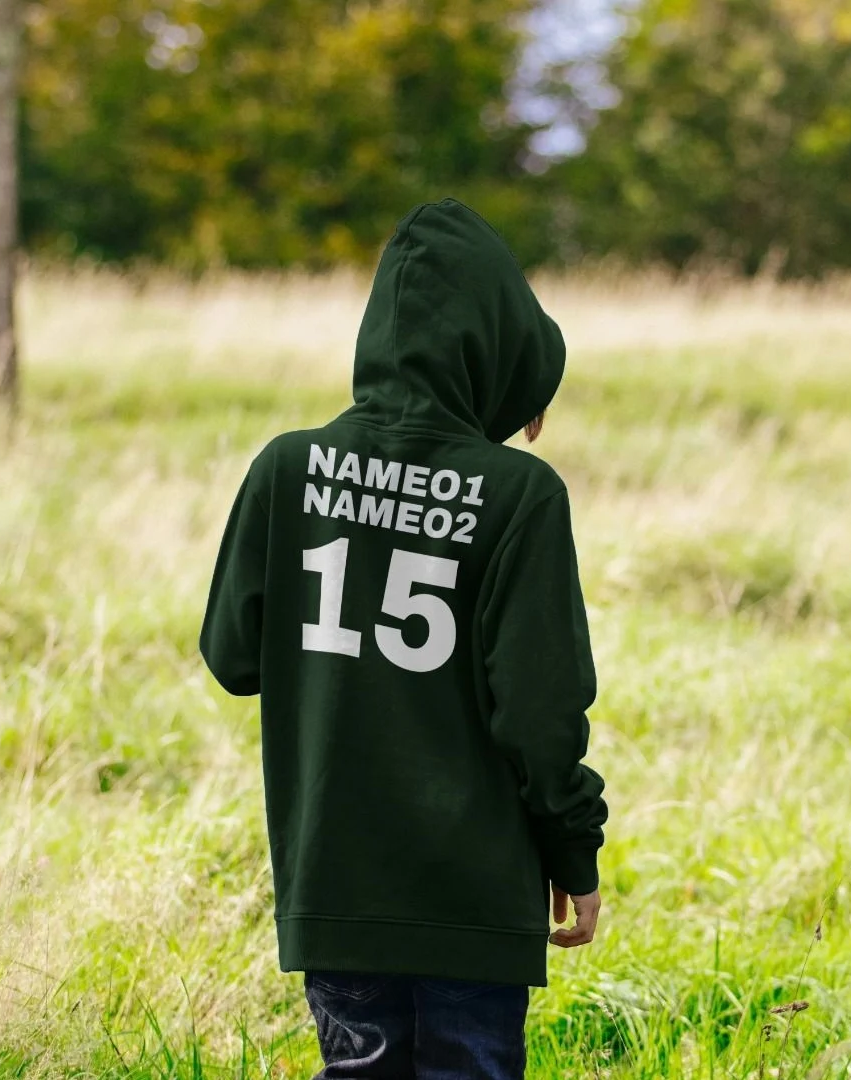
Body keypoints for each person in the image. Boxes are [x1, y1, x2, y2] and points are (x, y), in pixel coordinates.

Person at [199, 197, 608, 1079]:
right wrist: (574, 851)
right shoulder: (521, 494)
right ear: (498, 351)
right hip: (476, 898)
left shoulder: (285, 468)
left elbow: (233, 657)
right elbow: (539, 715)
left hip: (336, 884)